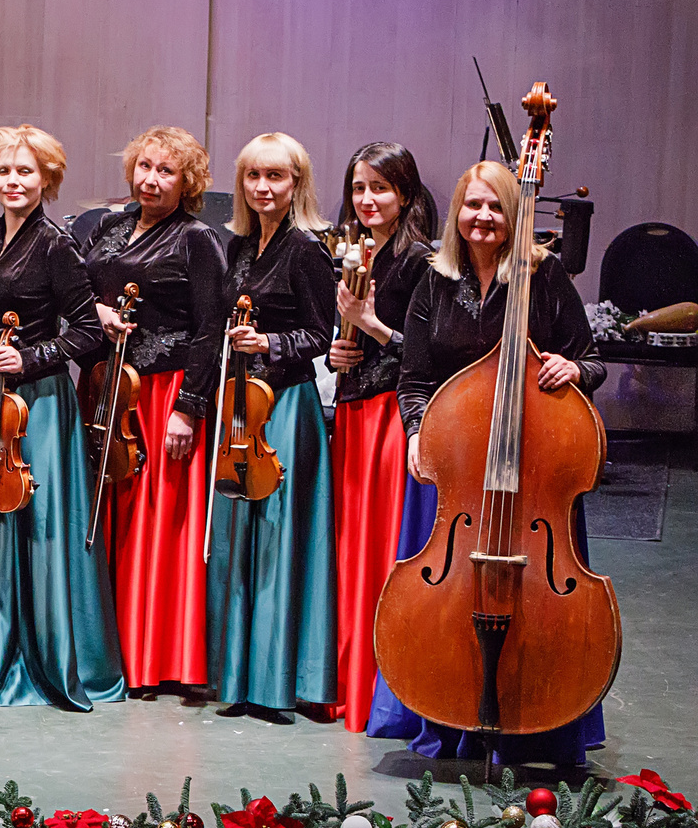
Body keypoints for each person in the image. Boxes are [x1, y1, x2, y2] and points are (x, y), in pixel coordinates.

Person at [386, 159, 608, 769]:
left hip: (536, 474)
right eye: (473, 205)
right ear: (457, 211)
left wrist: (574, 370)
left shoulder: (544, 272)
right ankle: (452, 714)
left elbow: (591, 357)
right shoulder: (436, 279)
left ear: (516, 215)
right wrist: (415, 431)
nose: (483, 217)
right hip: (462, 470)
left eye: (496, 206)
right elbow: (416, 376)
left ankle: (544, 723)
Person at [0, 125, 124, 711]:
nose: (13, 182)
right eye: (4, 171)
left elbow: (84, 331)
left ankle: (47, 658)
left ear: (46, 179)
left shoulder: (57, 244)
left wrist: (26, 357)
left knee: (40, 525)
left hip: (40, 405)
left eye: (25, 172)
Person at [80, 126, 230, 696]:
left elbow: (209, 327)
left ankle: (161, 658)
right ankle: (117, 650)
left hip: (165, 393)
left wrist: (188, 409)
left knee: (160, 526)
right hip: (114, 392)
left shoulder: (197, 239)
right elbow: (79, 296)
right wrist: (94, 308)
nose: (151, 179)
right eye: (144, 166)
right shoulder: (112, 228)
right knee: (115, 520)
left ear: (187, 182)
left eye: (166, 171)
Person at [209, 132, 338, 722]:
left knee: (281, 538)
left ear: (296, 184)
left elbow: (321, 334)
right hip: (243, 405)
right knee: (243, 537)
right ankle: (238, 676)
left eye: (276, 177)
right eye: (254, 177)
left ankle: (276, 681)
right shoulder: (238, 248)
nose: (263, 188)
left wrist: (270, 342)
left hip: (286, 407)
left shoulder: (307, 249)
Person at [322, 142, 439, 734]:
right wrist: (339, 348)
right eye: (358, 188)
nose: (367, 199)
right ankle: (350, 684)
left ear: (406, 194)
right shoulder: (357, 253)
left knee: (381, 550)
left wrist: (369, 326)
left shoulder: (423, 261)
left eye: (380, 188)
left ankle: (383, 692)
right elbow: (341, 342)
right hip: (352, 408)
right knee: (351, 549)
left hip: (394, 416)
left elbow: (429, 356)